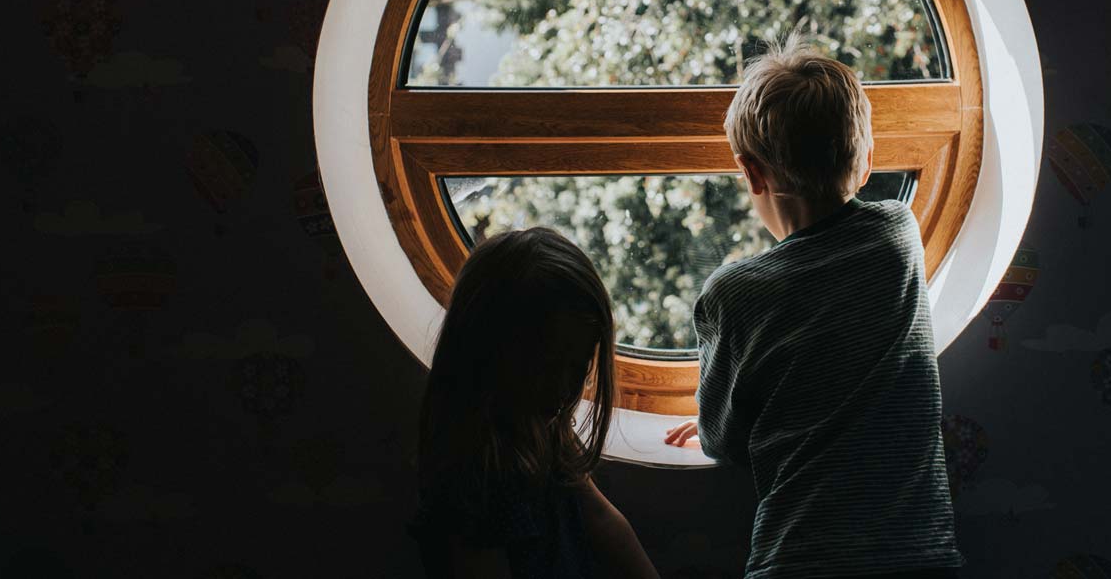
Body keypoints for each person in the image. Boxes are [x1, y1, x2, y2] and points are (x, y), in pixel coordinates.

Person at [663, 34, 965, 578]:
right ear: (868, 159)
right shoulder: (899, 237)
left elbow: (721, 440)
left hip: (801, 561)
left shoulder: (736, 291)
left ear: (752, 173)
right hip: (921, 558)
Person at [411, 227, 661, 578]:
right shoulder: (473, 470)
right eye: (543, 367)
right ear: (486, 352)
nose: (562, 387)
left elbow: (603, 521)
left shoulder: (546, 429)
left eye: (578, 366)